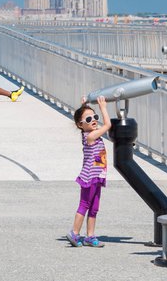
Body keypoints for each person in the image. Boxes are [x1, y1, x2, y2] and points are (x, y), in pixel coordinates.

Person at [68, 95, 112, 247]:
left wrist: (84, 105)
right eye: (88, 119)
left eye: (95, 117)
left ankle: (90, 236)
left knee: (94, 208)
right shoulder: (91, 136)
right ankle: (74, 233)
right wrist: (103, 108)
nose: (93, 120)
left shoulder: (91, 132)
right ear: (80, 125)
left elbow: (96, 123)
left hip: (98, 176)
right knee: (84, 205)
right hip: (89, 177)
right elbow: (107, 125)